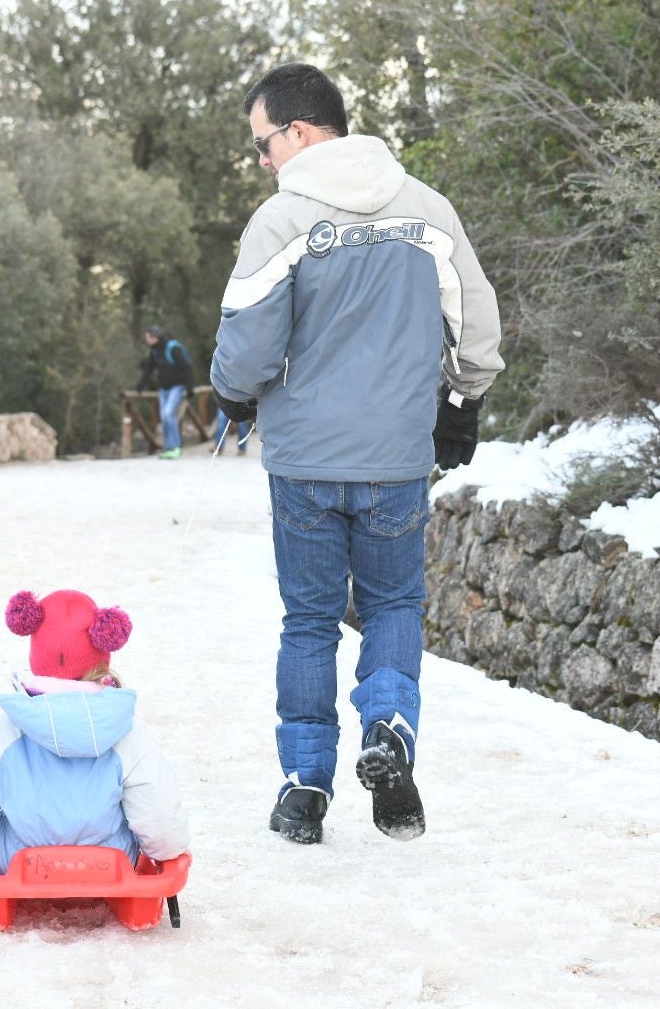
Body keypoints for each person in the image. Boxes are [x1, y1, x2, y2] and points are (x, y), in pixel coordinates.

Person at [210, 63, 503, 845]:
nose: (264, 161)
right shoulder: (428, 210)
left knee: (308, 622)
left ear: (299, 133)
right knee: (393, 607)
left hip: (304, 463)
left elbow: (245, 345)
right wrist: (461, 401)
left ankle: (305, 789)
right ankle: (392, 734)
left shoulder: (281, 223)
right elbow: (476, 321)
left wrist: (234, 395)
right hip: (398, 460)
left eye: (264, 144)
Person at [0, 589, 189, 874]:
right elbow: (159, 817)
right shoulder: (128, 732)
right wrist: (168, 852)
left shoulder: (1, 731)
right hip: (109, 864)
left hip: (17, 863)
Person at [136, 325, 195, 459]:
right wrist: (140, 385)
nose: (146, 340)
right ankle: (168, 448)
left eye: (148, 337)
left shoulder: (173, 348)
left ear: (154, 337)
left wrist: (189, 388)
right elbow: (149, 369)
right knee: (164, 417)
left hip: (177, 387)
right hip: (164, 389)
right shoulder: (155, 351)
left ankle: (176, 447)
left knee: (169, 414)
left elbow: (187, 367)